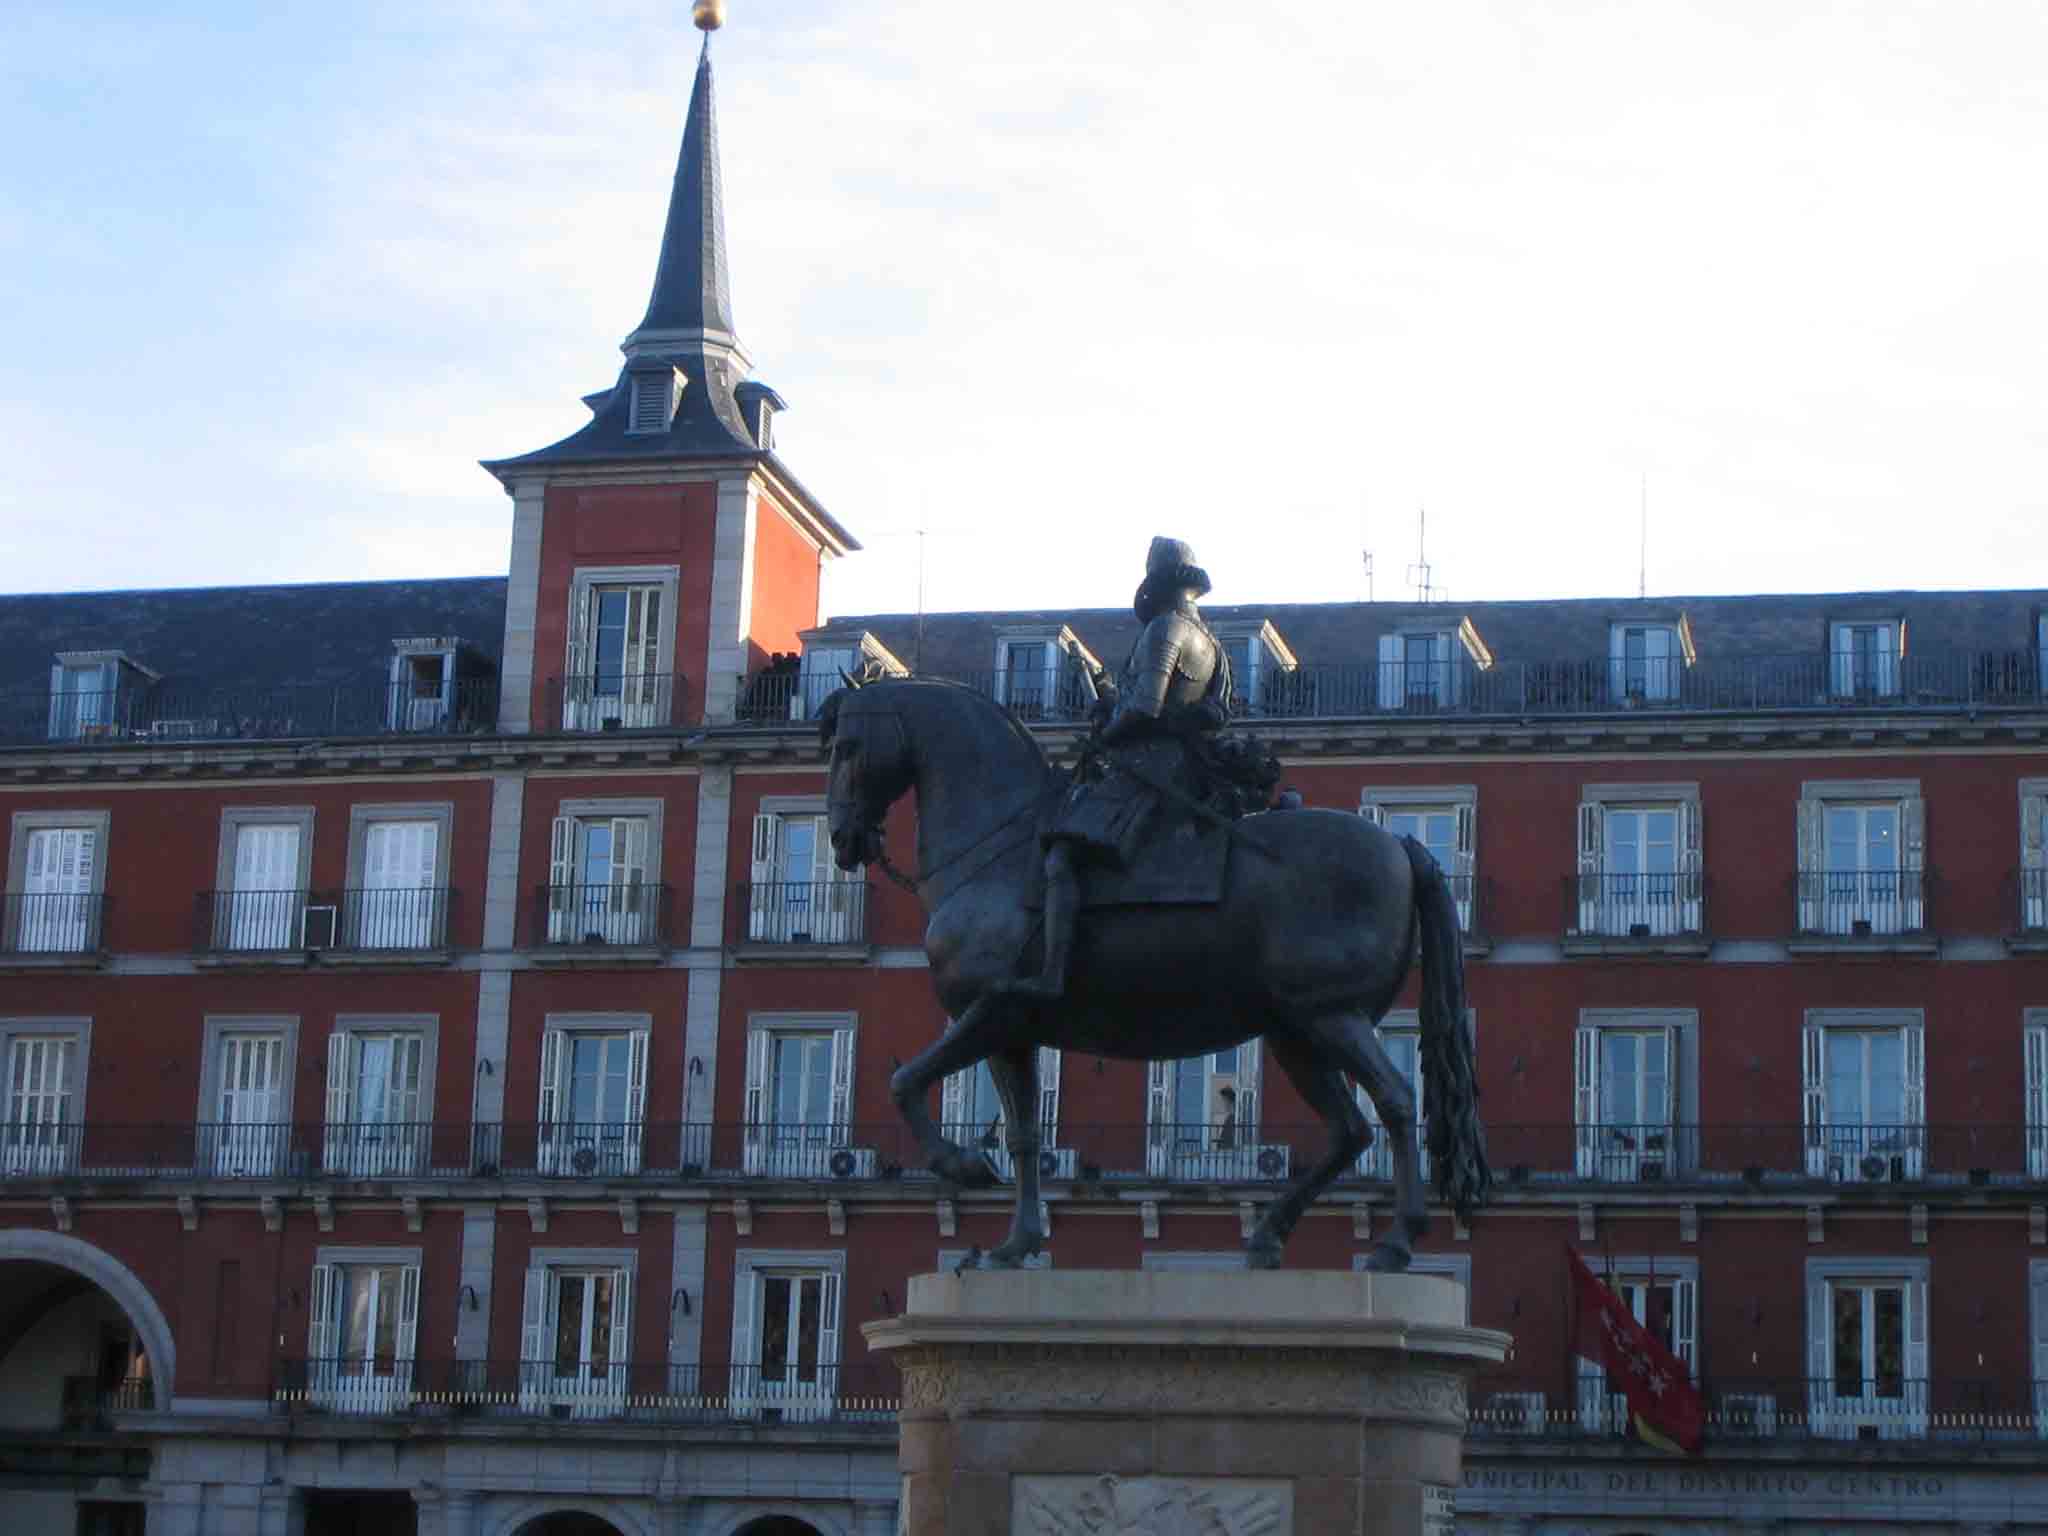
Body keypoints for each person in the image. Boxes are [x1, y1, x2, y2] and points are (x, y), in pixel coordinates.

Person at [998, 537, 1229, 1001]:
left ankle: (1052, 976)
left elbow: (1145, 708)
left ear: (1159, 584)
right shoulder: (1215, 646)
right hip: (1185, 766)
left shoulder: (1166, 629)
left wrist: (1107, 732)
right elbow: (1216, 713)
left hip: (1148, 769)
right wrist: (1107, 694)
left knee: (1062, 854)